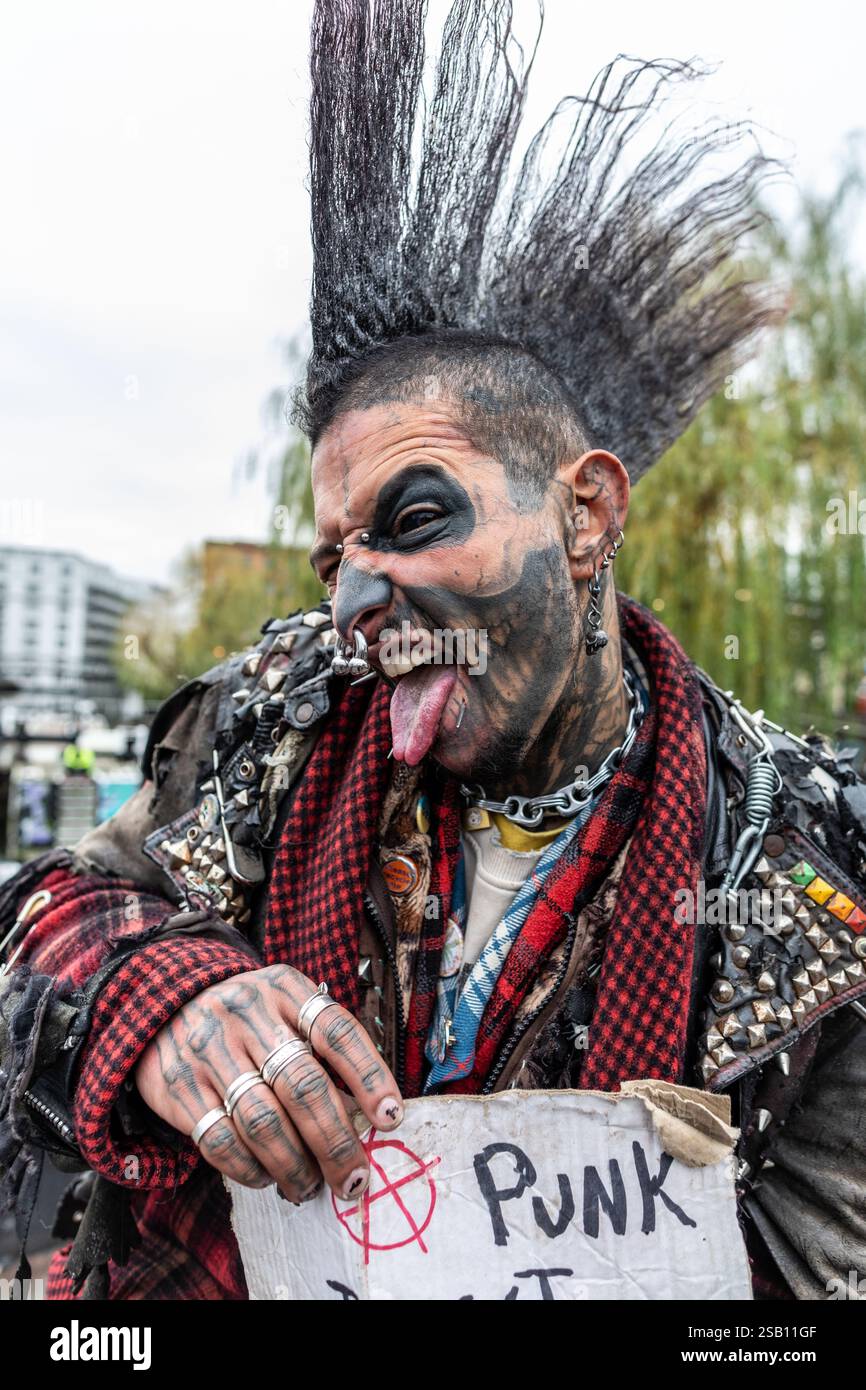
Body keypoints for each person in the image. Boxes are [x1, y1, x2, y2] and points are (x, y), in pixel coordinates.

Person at [2, 0, 865, 1302]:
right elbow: (46, 917)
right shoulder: (269, 725)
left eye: (412, 517)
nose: (355, 594)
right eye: (332, 552)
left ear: (585, 513)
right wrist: (162, 1000)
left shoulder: (810, 869)